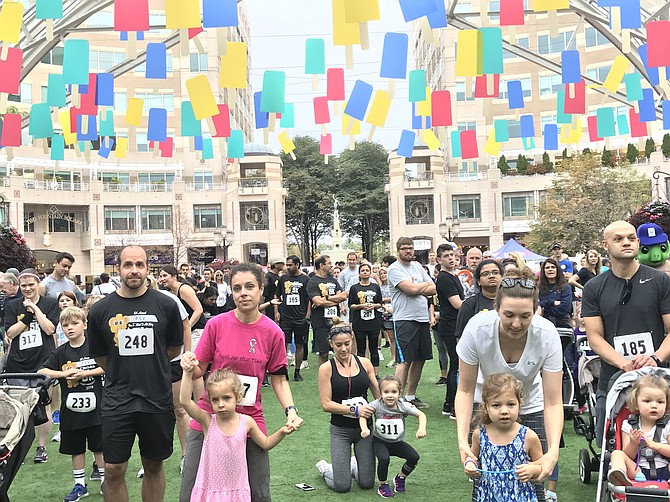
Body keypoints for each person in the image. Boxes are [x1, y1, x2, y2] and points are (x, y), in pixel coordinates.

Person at [179, 263, 303, 502]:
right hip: (210, 415)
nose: (243, 293)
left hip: (249, 418)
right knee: (191, 488)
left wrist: (290, 410)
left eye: (249, 287)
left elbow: (278, 379)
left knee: (257, 491)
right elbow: (198, 372)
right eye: (237, 288)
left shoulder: (273, 332)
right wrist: (188, 362)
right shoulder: (216, 324)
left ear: (261, 290)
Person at [455, 267, 563, 502]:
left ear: (536, 311)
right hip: (485, 403)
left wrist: (553, 450)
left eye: (525, 316)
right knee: (484, 479)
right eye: (509, 315)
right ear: (496, 309)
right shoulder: (477, 329)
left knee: (535, 480)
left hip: (530, 403)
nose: (516, 323)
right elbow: (464, 389)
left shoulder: (547, 334)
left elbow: (554, 401)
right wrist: (463, 440)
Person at [87, 245, 184, 502]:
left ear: (147, 269)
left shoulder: (166, 305)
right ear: (118, 269)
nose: (134, 270)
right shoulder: (99, 311)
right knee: (113, 469)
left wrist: (150, 365)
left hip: (156, 398)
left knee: (153, 465)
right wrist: (124, 369)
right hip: (118, 400)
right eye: (128, 265)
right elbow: (100, 356)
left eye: (139, 265)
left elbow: (173, 348)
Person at [583, 220, 670, 449]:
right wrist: (623, 363)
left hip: (658, 378)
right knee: (608, 442)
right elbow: (595, 337)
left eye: (631, 238)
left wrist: (655, 358)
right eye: (618, 239)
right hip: (612, 379)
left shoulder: (661, 281)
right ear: (605, 245)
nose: (626, 243)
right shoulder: (593, 287)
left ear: (639, 242)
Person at [179, 367, 293, 501]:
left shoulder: (247, 422)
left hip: (237, 492)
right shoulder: (208, 421)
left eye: (226, 398)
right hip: (211, 490)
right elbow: (185, 401)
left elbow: (266, 443)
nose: (221, 404)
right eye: (215, 400)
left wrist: (282, 432)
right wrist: (187, 373)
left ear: (238, 397)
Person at [38, 306, 106, 501]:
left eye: (75, 323)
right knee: (75, 449)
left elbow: (109, 365)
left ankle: (104, 481)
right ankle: (79, 485)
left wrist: (86, 373)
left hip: (97, 410)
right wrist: (63, 374)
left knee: (99, 447)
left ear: (84, 325)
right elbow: (42, 371)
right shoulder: (60, 352)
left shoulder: (95, 347)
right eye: (65, 325)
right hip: (72, 411)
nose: (70, 328)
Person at [316, 318, 380, 493]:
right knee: (342, 486)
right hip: (340, 430)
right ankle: (325, 469)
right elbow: (326, 404)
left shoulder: (365, 363)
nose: (343, 349)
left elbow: (377, 393)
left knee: (367, 483)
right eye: (338, 345)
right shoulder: (326, 369)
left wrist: (391, 410)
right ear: (331, 344)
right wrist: (355, 410)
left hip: (365, 430)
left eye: (346, 343)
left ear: (352, 341)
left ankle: (351, 465)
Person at [4, 268, 60, 463]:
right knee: (18, 407)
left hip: (43, 361)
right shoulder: (12, 305)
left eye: (31, 285)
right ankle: (15, 446)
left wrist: (35, 310)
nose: (27, 289)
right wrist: (27, 317)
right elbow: (10, 333)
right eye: (24, 285)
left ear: (38, 285)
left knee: (43, 405)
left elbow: (50, 328)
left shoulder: (50, 304)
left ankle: (41, 447)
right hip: (18, 362)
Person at [464, 373, 543, 502]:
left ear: (519, 405)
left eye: (511, 404)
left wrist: (533, 469)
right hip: (488, 497)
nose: (504, 411)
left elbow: (542, 468)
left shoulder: (529, 437)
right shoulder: (480, 435)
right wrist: (470, 465)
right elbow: (473, 458)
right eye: (496, 405)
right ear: (486, 407)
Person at [388, 237, 436, 409]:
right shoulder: (394, 269)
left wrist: (417, 288)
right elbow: (410, 289)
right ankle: (396, 399)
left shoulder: (417, 266)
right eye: (404, 248)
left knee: (420, 359)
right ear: (398, 250)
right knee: (405, 360)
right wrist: (419, 288)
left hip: (422, 318)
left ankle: (410, 396)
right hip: (404, 319)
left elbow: (433, 288)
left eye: (410, 248)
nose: (408, 251)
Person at [360, 375, 426, 498]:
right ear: (380, 393)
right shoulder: (376, 404)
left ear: (400, 393)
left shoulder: (403, 406)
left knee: (413, 457)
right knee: (384, 459)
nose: (390, 395)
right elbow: (363, 415)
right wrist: (364, 429)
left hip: (397, 442)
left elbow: (421, 415)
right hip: (380, 441)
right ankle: (383, 484)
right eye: (386, 392)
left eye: (394, 392)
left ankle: (400, 478)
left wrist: (421, 429)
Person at [608, 374, 670, 486]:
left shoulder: (668, 425)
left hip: (666, 469)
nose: (654, 406)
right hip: (638, 470)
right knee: (617, 454)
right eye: (647, 401)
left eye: (660, 402)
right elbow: (628, 455)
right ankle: (620, 476)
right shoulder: (629, 425)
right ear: (636, 404)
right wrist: (633, 443)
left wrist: (656, 446)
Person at [434, 244, 464, 419]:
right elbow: (458, 304)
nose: (451, 258)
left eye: (452, 255)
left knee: (456, 364)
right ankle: (453, 405)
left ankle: (448, 404)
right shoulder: (445, 278)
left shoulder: (453, 276)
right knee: (456, 365)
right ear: (439, 260)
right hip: (451, 326)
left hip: (453, 325)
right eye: (446, 256)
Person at [308, 255, 348, 367]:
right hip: (320, 322)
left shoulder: (333, 280)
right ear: (321, 265)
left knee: (340, 350)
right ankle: (323, 376)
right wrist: (335, 299)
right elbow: (317, 302)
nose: (331, 265)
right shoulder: (312, 281)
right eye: (329, 263)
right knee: (323, 352)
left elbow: (343, 296)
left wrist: (326, 298)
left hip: (335, 321)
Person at [275, 256, 310, 382]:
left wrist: (307, 316)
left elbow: (310, 299)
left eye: (290, 265)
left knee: (300, 345)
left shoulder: (306, 279)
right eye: (287, 265)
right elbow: (277, 296)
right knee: (284, 344)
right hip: (286, 317)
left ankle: (297, 371)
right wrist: (276, 312)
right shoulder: (283, 278)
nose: (287, 267)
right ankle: (283, 371)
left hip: (300, 317)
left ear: (297, 265)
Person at [348, 263, 383, 377]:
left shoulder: (375, 286)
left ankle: (375, 374)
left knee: (374, 349)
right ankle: (362, 372)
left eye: (367, 270)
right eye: (362, 270)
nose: (365, 272)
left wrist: (373, 306)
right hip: (359, 322)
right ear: (359, 273)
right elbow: (351, 305)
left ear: (370, 272)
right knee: (361, 348)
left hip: (374, 322)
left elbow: (380, 303)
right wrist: (361, 306)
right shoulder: (354, 288)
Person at [454, 260, 503, 339]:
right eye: (485, 274)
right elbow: (461, 336)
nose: (491, 276)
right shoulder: (470, 304)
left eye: (495, 272)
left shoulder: (511, 301)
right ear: (478, 281)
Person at [538, 258, 573, 329]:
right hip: (544, 325)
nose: (550, 269)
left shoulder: (566, 287)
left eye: (553, 267)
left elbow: (565, 307)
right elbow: (537, 306)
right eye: (547, 267)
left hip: (562, 325)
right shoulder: (539, 288)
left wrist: (545, 308)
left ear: (557, 270)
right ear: (543, 271)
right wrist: (552, 302)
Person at [378, 267, 397, 367]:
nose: (383, 275)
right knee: (391, 338)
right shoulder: (379, 288)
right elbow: (378, 300)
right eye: (381, 274)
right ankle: (393, 358)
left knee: (399, 337)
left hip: (396, 313)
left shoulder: (393, 285)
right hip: (386, 315)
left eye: (385, 273)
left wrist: (385, 299)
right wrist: (384, 306)